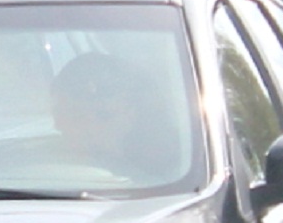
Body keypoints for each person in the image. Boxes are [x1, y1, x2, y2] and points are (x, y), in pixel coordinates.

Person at [49, 53, 183, 184]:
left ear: (126, 110)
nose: (57, 125)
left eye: (72, 115)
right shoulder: (47, 167)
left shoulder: (178, 171)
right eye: (56, 113)